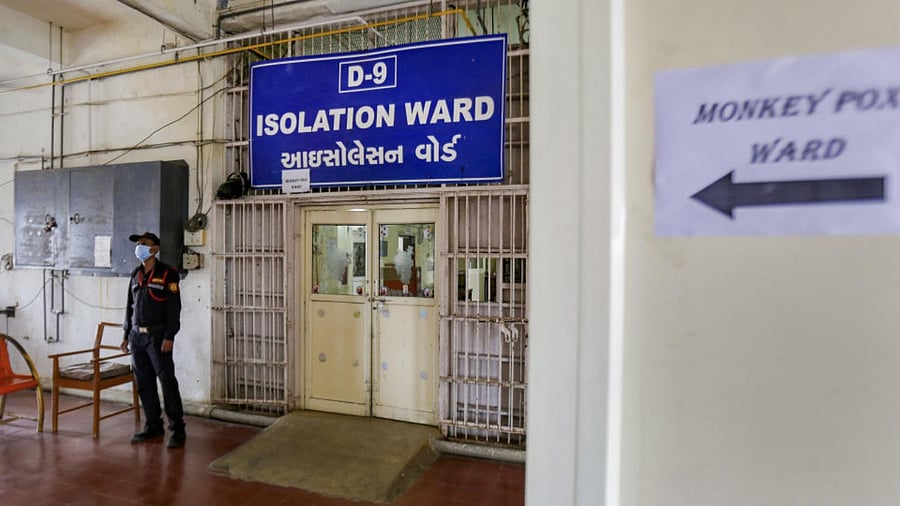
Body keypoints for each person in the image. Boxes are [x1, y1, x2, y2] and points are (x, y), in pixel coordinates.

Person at [120, 231, 186, 448]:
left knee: (167, 382)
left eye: (144, 244)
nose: (139, 247)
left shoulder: (168, 274)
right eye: (138, 244)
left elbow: (174, 308)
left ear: (155, 249)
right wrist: (126, 335)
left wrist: (170, 336)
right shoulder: (135, 275)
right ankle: (153, 426)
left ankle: (177, 429)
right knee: (144, 384)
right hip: (137, 337)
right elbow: (130, 308)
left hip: (158, 337)